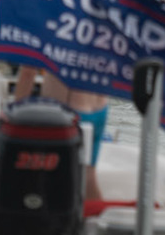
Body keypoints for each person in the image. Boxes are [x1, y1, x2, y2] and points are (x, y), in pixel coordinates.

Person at [12, 63, 109, 201]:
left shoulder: (54, 39)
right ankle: (95, 218)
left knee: (48, 177)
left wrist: (15, 116)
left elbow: (28, 72)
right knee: (88, 177)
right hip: (100, 108)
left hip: (65, 112)